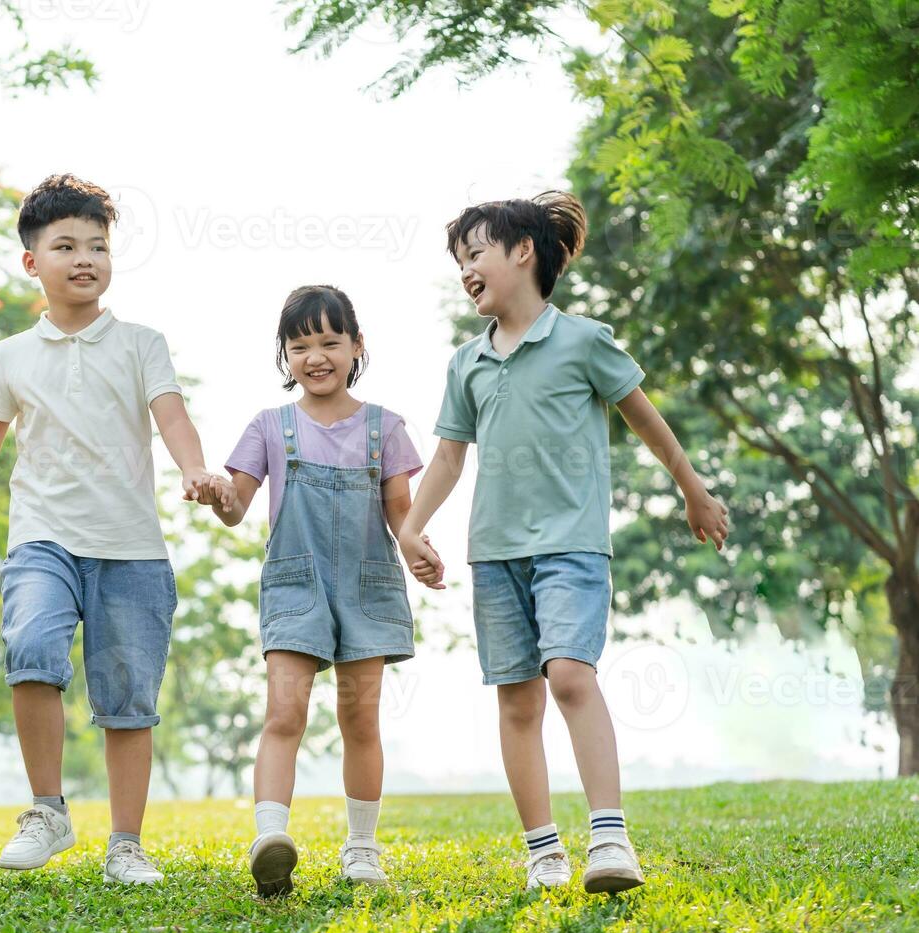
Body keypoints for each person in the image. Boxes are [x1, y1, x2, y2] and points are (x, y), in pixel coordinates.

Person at [398, 192, 730, 893]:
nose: (466, 270)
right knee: (518, 702)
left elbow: (644, 419)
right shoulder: (467, 364)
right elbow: (451, 457)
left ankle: (609, 839)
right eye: (459, 260)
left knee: (571, 676)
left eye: (475, 253)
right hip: (494, 553)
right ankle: (543, 851)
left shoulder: (584, 340)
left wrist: (691, 487)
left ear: (523, 253)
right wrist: (411, 525)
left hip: (572, 546)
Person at [0, 174, 221, 885]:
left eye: (98, 246)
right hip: (42, 537)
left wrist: (196, 469)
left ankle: (125, 845)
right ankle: (47, 811)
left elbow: (172, 418)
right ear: (31, 261)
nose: (86, 259)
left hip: (131, 546)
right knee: (33, 647)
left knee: (127, 697)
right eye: (66, 245)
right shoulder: (10, 355)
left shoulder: (141, 343)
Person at [198, 284, 424, 897]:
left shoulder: (386, 427)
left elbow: (401, 511)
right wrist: (219, 493)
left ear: (356, 346)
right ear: (284, 355)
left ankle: (362, 849)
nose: (316, 356)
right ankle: (270, 837)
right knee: (284, 714)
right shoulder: (269, 427)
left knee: (360, 719)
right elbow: (237, 507)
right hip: (296, 586)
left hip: (368, 585)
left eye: (330, 341)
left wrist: (418, 547)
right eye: (300, 345)